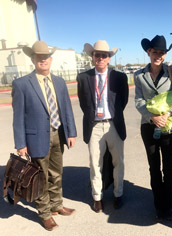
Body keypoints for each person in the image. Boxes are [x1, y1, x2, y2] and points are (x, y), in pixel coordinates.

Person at [12, 41, 77, 231]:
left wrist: (71, 132)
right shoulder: (22, 84)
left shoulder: (59, 82)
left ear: (51, 59)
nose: (43, 59)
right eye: (39, 56)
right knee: (40, 177)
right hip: (36, 138)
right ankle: (45, 213)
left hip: (58, 134)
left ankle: (57, 205)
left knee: (56, 173)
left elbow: (66, 110)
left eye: (46, 56)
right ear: (33, 59)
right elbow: (18, 117)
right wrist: (21, 143)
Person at [134, 35, 172, 221]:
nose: (158, 55)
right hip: (148, 127)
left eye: (161, 52)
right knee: (154, 167)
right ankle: (159, 205)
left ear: (165, 54)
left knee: (169, 167)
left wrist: (168, 115)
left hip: (169, 127)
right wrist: (152, 117)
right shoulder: (139, 75)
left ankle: (169, 204)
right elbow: (138, 101)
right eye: (154, 51)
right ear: (148, 52)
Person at [77, 40, 129, 213]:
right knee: (94, 163)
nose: (100, 58)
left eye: (104, 55)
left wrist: (111, 115)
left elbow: (123, 101)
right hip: (94, 126)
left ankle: (118, 194)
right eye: (97, 55)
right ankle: (97, 197)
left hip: (114, 124)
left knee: (118, 162)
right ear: (92, 57)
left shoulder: (120, 77)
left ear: (109, 58)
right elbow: (84, 103)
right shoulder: (83, 77)